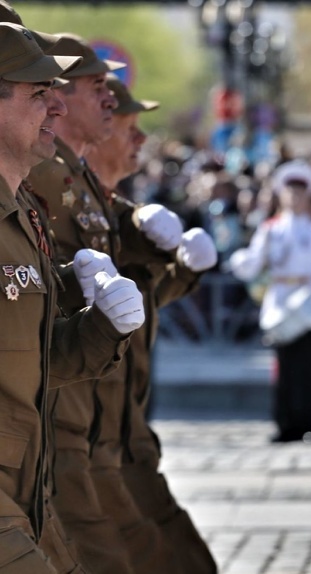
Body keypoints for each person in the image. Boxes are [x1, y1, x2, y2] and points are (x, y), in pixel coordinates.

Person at [0, 21, 145, 572]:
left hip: (29, 490)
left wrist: (103, 326)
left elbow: (32, 361)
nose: (56, 109)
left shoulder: (22, 211)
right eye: (39, 95)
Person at [83, 76, 218, 574]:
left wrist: (182, 271)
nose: (141, 138)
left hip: (123, 433)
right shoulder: (73, 204)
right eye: (128, 125)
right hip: (89, 440)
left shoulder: (105, 206)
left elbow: (138, 306)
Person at [230, 160, 311, 443]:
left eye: (300, 193)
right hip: (281, 301)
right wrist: (241, 261)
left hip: (309, 301)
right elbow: (254, 262)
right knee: (285, 368)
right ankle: (286, 423)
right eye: (290, 192)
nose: (294, 198)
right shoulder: (271, 229)